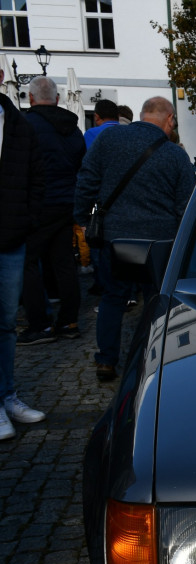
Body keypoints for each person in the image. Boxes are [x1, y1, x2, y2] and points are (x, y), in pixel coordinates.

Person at [74, 96, 196, 381]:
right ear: (169, 120)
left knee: (112, 298)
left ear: (142, 116)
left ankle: (106, 360)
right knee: (155, 300)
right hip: (159, 242)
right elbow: (186, 205)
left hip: (114, 237)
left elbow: (87, 180)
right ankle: (152, 359)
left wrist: (82, 218)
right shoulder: (176, 155)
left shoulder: (108, 141)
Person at [17, 76, 85, 346]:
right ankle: (69, 321)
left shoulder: (25, 125)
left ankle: (40, 324)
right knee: (64, 261)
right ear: (57, 98)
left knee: (28, 261)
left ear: (30, 98)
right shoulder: (73, 128)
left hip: (38, 203)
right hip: (67, 201)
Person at [0, 66, 47, 439]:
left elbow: (36, 177)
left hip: (9, 236)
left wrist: (25, 221)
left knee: (5, 324)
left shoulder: (18, 124)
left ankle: (7, 395)